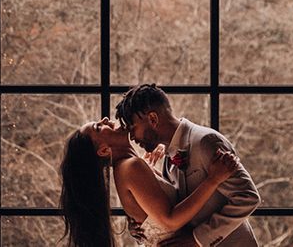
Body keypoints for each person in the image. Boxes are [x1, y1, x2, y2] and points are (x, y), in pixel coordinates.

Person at [60, 115, 241, 246]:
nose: (106, 119)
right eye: (99, 128)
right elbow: (170, 220)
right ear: (104, 151)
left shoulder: (130, 167)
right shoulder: (131, 167)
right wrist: (213, 180)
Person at [116, 84, 261, 246]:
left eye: (133, 128)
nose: (132, 137)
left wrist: (198, 239)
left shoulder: (206, 141)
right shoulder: (167, 155)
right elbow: (175, 208)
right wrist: (143, 226)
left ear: (153, 119)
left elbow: (248, 197)